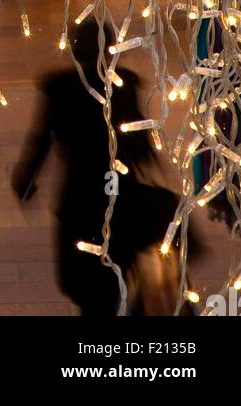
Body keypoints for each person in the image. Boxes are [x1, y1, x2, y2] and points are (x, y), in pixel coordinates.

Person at [11, 19, 199, 315]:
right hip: (120, 197)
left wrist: (25, 178)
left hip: (79, 196)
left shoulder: (59, 88)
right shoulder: (123, 84)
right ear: (111, 52)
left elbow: (40, 140)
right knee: (117, 271)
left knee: (85, 281)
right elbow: (140, 143)